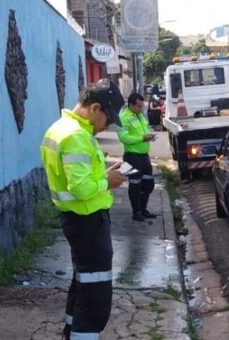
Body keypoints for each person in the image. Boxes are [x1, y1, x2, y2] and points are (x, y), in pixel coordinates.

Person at [40, 78, 126, 339]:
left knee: (83, 282)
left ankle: (70, 330)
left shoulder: (60, 128)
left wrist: (104, 174)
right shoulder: (76, 136)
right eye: (107, 119)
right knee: (95, 296)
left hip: (76, 219)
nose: (107, 126)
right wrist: (107, 182)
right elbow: (81, 188)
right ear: (95, 108)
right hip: (87, 221)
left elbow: (77, 178)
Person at [117, 93, 157, 222]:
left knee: (148, 184)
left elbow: (144, 131)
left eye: (142, 106)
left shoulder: (140, 116)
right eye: (139, 106)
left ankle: (143, 209)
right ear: (131, 104)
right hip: (131, 157)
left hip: (144, 156)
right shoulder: (123, 118)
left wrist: (150, 135)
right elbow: (124, 138)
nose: (141, 109)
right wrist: (142, 138)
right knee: (134, 185)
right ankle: (137, 212)